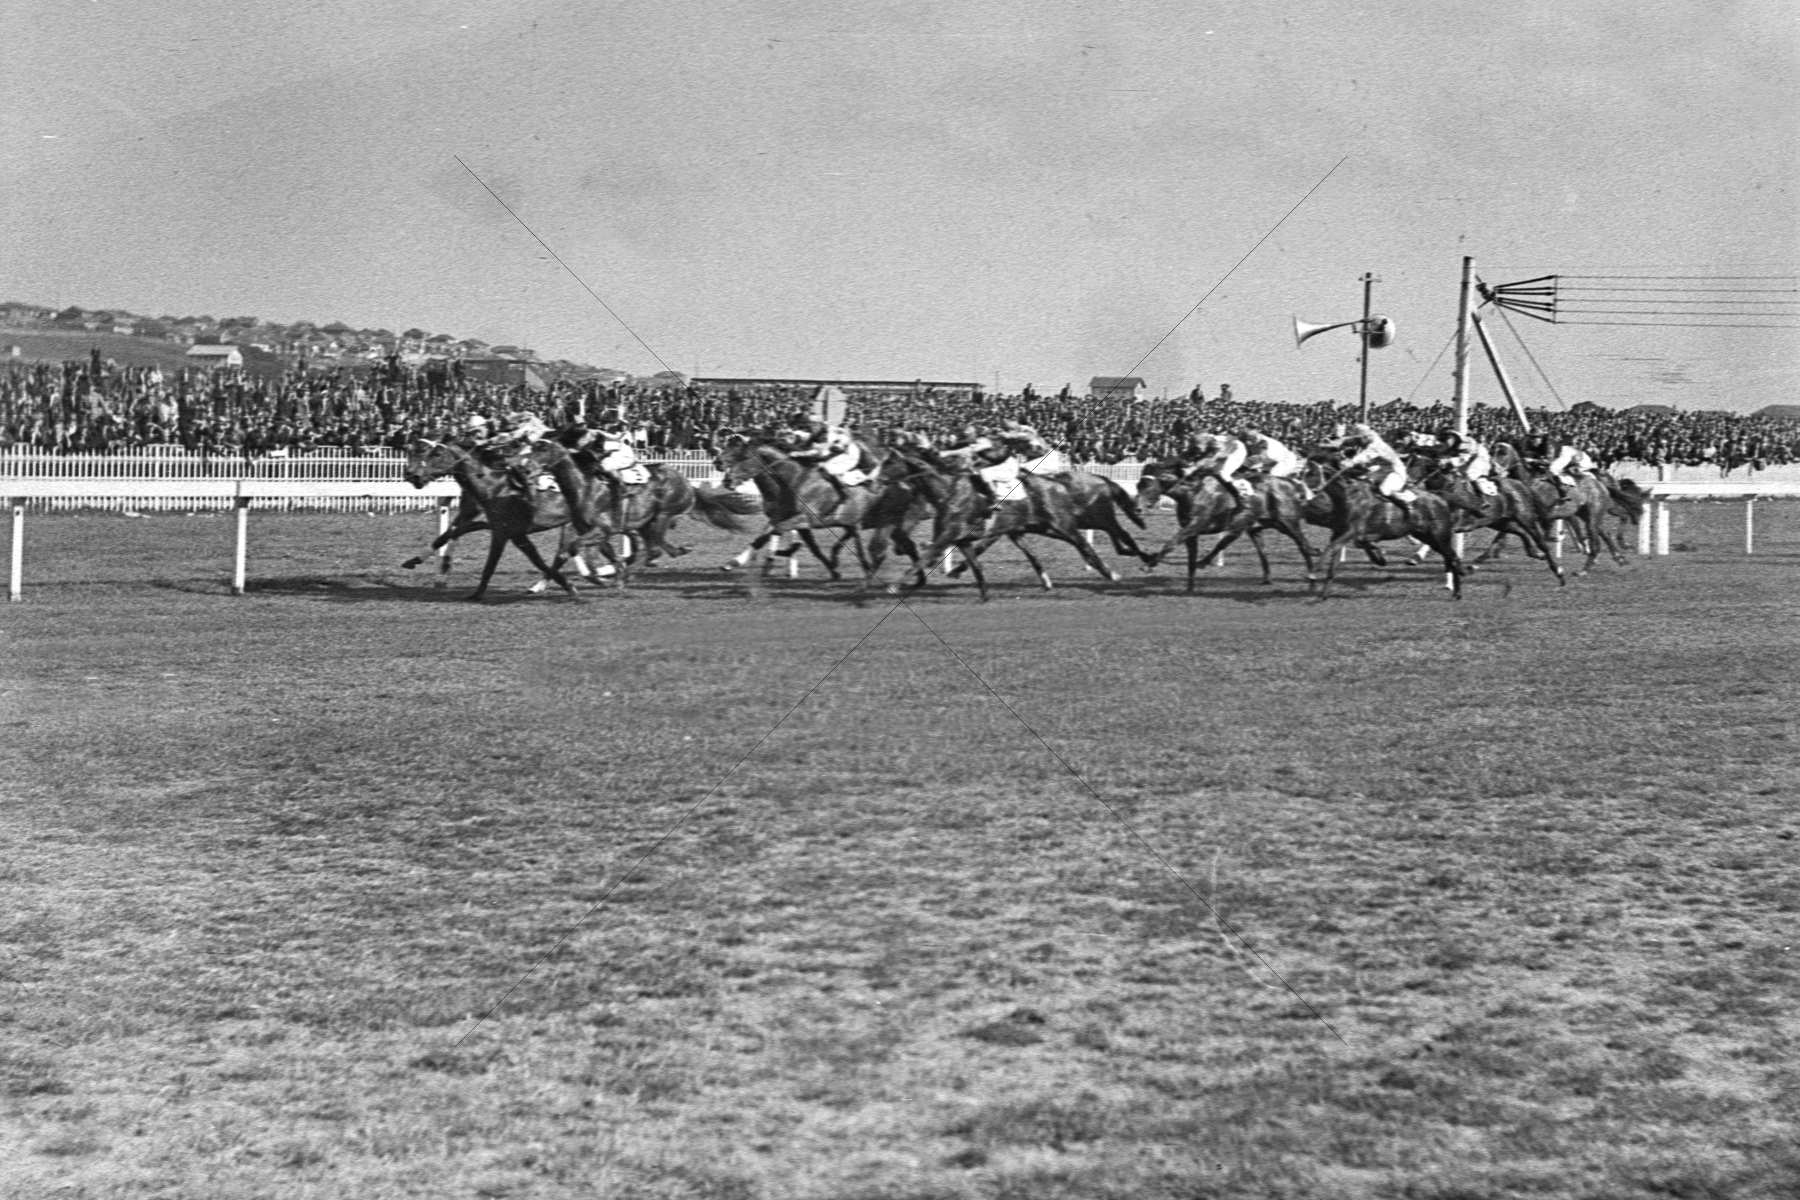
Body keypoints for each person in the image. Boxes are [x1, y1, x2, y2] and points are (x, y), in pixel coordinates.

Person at [1343, 422, 1418, 512]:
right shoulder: (1369, 442)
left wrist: (1350, 462)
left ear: (1365, 437)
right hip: (1383, 469)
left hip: (1396, 471)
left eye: (1358, 439)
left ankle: (1406, 502)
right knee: (1363, 481)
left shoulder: (1375, 445)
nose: (1356, 441)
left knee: (1384, 489)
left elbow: (1363, 456)